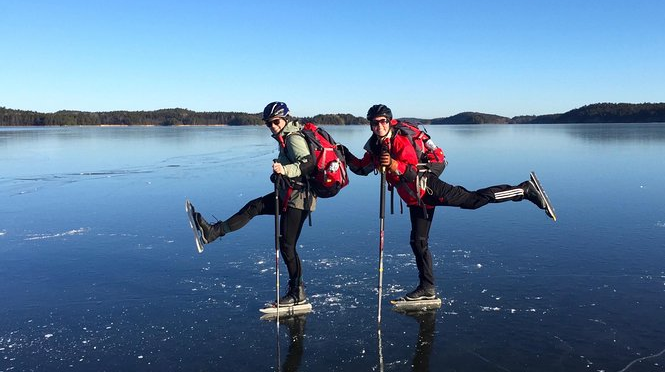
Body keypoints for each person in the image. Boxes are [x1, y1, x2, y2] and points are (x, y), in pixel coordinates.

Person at [343, 104, 555, 301]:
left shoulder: (399, 140)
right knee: (418, 242)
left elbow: (412, 171)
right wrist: (345, 155)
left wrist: (393, 164)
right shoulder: (376, 145)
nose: (379, 126)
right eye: (374, 122)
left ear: (390, 121)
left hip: (428, 188)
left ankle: (523, 190)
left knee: (472, 201)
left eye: (382, 121)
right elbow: (363, 168)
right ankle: (427, 289)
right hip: (415, 198)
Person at [190, 102, 316, 306]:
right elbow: (295, 167)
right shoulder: (286, 137)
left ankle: (297, 292)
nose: (273, 126)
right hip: (289, 193)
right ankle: (213, 232)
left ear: (286, 119)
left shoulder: (293, 137)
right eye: (269, 124)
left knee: (287, 245)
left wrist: (285, 171)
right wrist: (281, 175)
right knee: (254, 207)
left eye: (276, 122)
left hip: (299, 199)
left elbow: (308, 163)